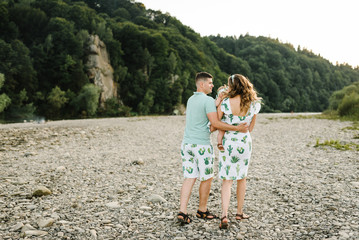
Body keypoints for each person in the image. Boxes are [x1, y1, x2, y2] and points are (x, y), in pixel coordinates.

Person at [177, 72, 249, 225]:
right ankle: (202, 210)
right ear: (201, 84)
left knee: (190, 177)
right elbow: (215, 123)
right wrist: (236, 128)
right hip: (201, 145)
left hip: (186, 144)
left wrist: (219, 101)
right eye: (210, 83)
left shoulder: (191, 99)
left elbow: (205, 111)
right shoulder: (208, 100)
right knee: (207, 177)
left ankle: (182, 212)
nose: (212, 85)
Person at [217, 74, 261, 229]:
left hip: (228, 142)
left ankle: (224, 215)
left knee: (227, 180)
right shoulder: (253, 103)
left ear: (232, 86)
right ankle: (239, 212)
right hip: (244, 142)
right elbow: (251, 128)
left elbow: (218, 123)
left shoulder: (225, 103)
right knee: (242, 177)